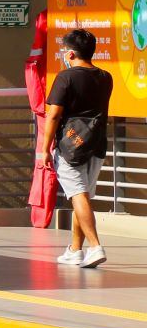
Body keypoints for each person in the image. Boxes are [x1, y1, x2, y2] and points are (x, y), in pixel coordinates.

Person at [40, 28, 113, 267]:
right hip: (97, 144)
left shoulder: (66, 77)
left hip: (71, 146)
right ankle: (75, 249)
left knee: (77, 194)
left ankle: (95, 246)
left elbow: (53, 116)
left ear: (70, 54)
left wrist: (44, 149)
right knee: (81, 196)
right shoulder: (105, 77)